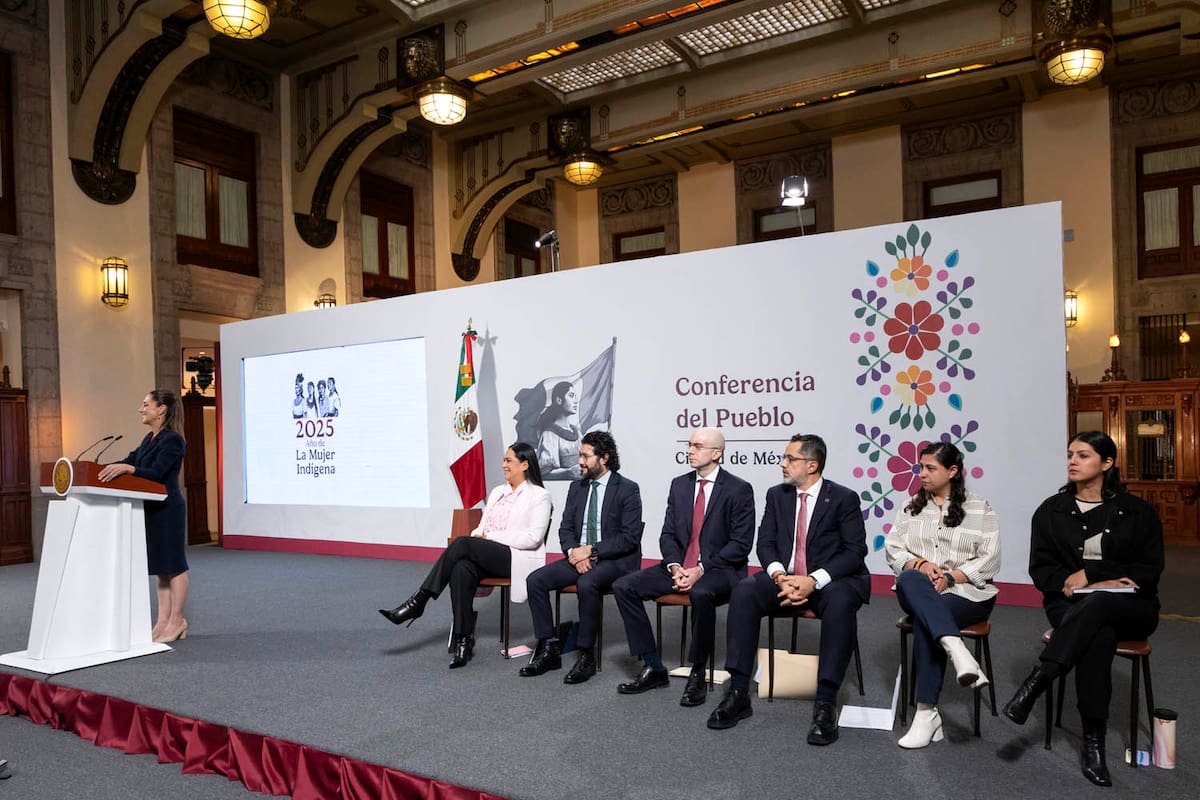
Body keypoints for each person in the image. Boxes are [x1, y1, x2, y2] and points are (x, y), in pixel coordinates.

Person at [1002, 430, 1163, 787]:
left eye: (1083, 455)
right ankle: (1094, 744)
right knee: (1097, 635)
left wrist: (1093, 575)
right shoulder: (1051, 511)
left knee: (1101, 603)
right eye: (1070, 454)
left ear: (1107, 463)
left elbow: (1149, 571)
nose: (1072, 461)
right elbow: (1041, 570)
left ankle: (1041, 678)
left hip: (1132, 608)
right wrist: (1078, 584)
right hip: (1069, 604)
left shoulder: (1137, 512)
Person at [708, 434, 868, 746]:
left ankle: (825, 702)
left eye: (790, 458)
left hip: (828, 581)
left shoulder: (843, 498)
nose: (782, 463)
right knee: (744, 591)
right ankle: (738, 691)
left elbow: (854, 552)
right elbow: (765, 543)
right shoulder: (777, 495)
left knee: (841, 603)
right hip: (785, 577)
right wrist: (780, 576)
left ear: (812, 465)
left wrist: (813, 580)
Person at [612, 427, 754, 706]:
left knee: (701, 593)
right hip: (681, 567)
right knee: (623, 586)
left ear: (717, 453)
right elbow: (668, 534)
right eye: (689, 445)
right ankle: (653, 666)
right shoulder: (679, 485)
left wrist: (700, 569)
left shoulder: (738, 489)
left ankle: (697, 672)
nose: (690, 451)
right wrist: (676, 566)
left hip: (720, 569)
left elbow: (740, 544)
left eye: (698, 446)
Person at [378, 442, 552, 668]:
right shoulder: (498, 492)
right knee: (461, 568)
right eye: (504, 460)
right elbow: (481, 527)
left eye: (509, 460)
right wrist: (480, 536)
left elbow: (533, 538)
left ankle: (418, 601)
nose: (503, 465)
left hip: (515, 558)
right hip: (489, 553)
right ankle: (463, 640)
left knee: (461, 543)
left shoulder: (539, 495)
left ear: (525, 465)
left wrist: (490, 538)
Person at [884, 441, 1000, 748]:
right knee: (910, 577)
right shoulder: (910, 507)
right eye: (921, 467)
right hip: (917, 588)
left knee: (928, 620)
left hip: (968, 594)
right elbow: (893, 550)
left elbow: (990, 560)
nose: (922, 473)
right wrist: (922, 565)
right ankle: (958, 650)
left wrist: (950, 577)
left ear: (952, 471)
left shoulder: (980, 508)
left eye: (930, 468)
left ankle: (927, 713)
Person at [520, 431, 643, 683]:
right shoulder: (577, 487)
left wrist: (592, 550)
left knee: (587, 583)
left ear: (604, 458)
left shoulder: (627, 489)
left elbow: (629, 538)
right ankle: (549, 647)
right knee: (535, 580)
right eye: (580, 455)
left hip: (615, 560)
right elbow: (565, 528)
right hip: (579, 556)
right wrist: (574, 552)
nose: (580, 461)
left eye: (586, 456)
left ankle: (586, 655)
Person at [98, 390, 189, 644]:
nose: (141, 408)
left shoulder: (173, 440)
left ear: (161, 409)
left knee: (174, 566)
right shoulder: (150, 438)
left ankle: (177, 621)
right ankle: (162, 621)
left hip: (168, 508)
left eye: (146, 404)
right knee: (161, 568)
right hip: (151, 508)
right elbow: (129, 460)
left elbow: (157, 473)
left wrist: (129, 468)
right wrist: (97, 469)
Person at [536, 381, 581, 480]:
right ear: (559, 400)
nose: (576, 401)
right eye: (571, 396)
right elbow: (544, 473)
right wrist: (568, 472)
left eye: (575, 396)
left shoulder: (577, 432)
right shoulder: (549, 435)